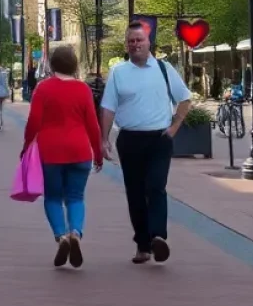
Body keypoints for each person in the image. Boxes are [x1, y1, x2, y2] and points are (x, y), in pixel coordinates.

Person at [100, 22, 192, 265]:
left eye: (139, 40)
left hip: (159, 139)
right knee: (135, 194)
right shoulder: (119, 72)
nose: (135, 44)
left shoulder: (164, 69)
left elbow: (185, 99)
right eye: (131, 41)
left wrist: (174, 127)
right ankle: (142, 245)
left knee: (156, 187)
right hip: (130, 139)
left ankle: (158, 237)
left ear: (149, 43)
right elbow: (108, 107)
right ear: (126, 45)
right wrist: (103, 139)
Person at [21, 44, 103, 268]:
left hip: (51, 153)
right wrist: (98, 153)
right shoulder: (83, 89)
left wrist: (27, 145)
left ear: (51, 64)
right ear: (75, 65)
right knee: (76, 197)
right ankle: (76, 232)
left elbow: (34, 122)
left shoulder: (43, 88)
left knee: (53, 198)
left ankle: (61, 236)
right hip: (80, 151)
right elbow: (93, 125)